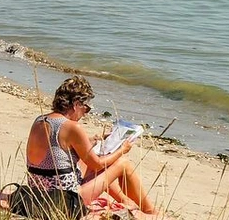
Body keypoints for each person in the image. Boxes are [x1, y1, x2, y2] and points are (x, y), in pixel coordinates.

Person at [25, 76, 156, 214]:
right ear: (76, 104)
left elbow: (57, 148)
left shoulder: (41, 120)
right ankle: (151, 211)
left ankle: (124, 200)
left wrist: (94, 140)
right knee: (123, 163)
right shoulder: (72, 127)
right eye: (86, 109)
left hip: (38, 192)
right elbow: (97, 164)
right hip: (65, 200)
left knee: (96, 158)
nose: (85, 114)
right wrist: (122, 150)